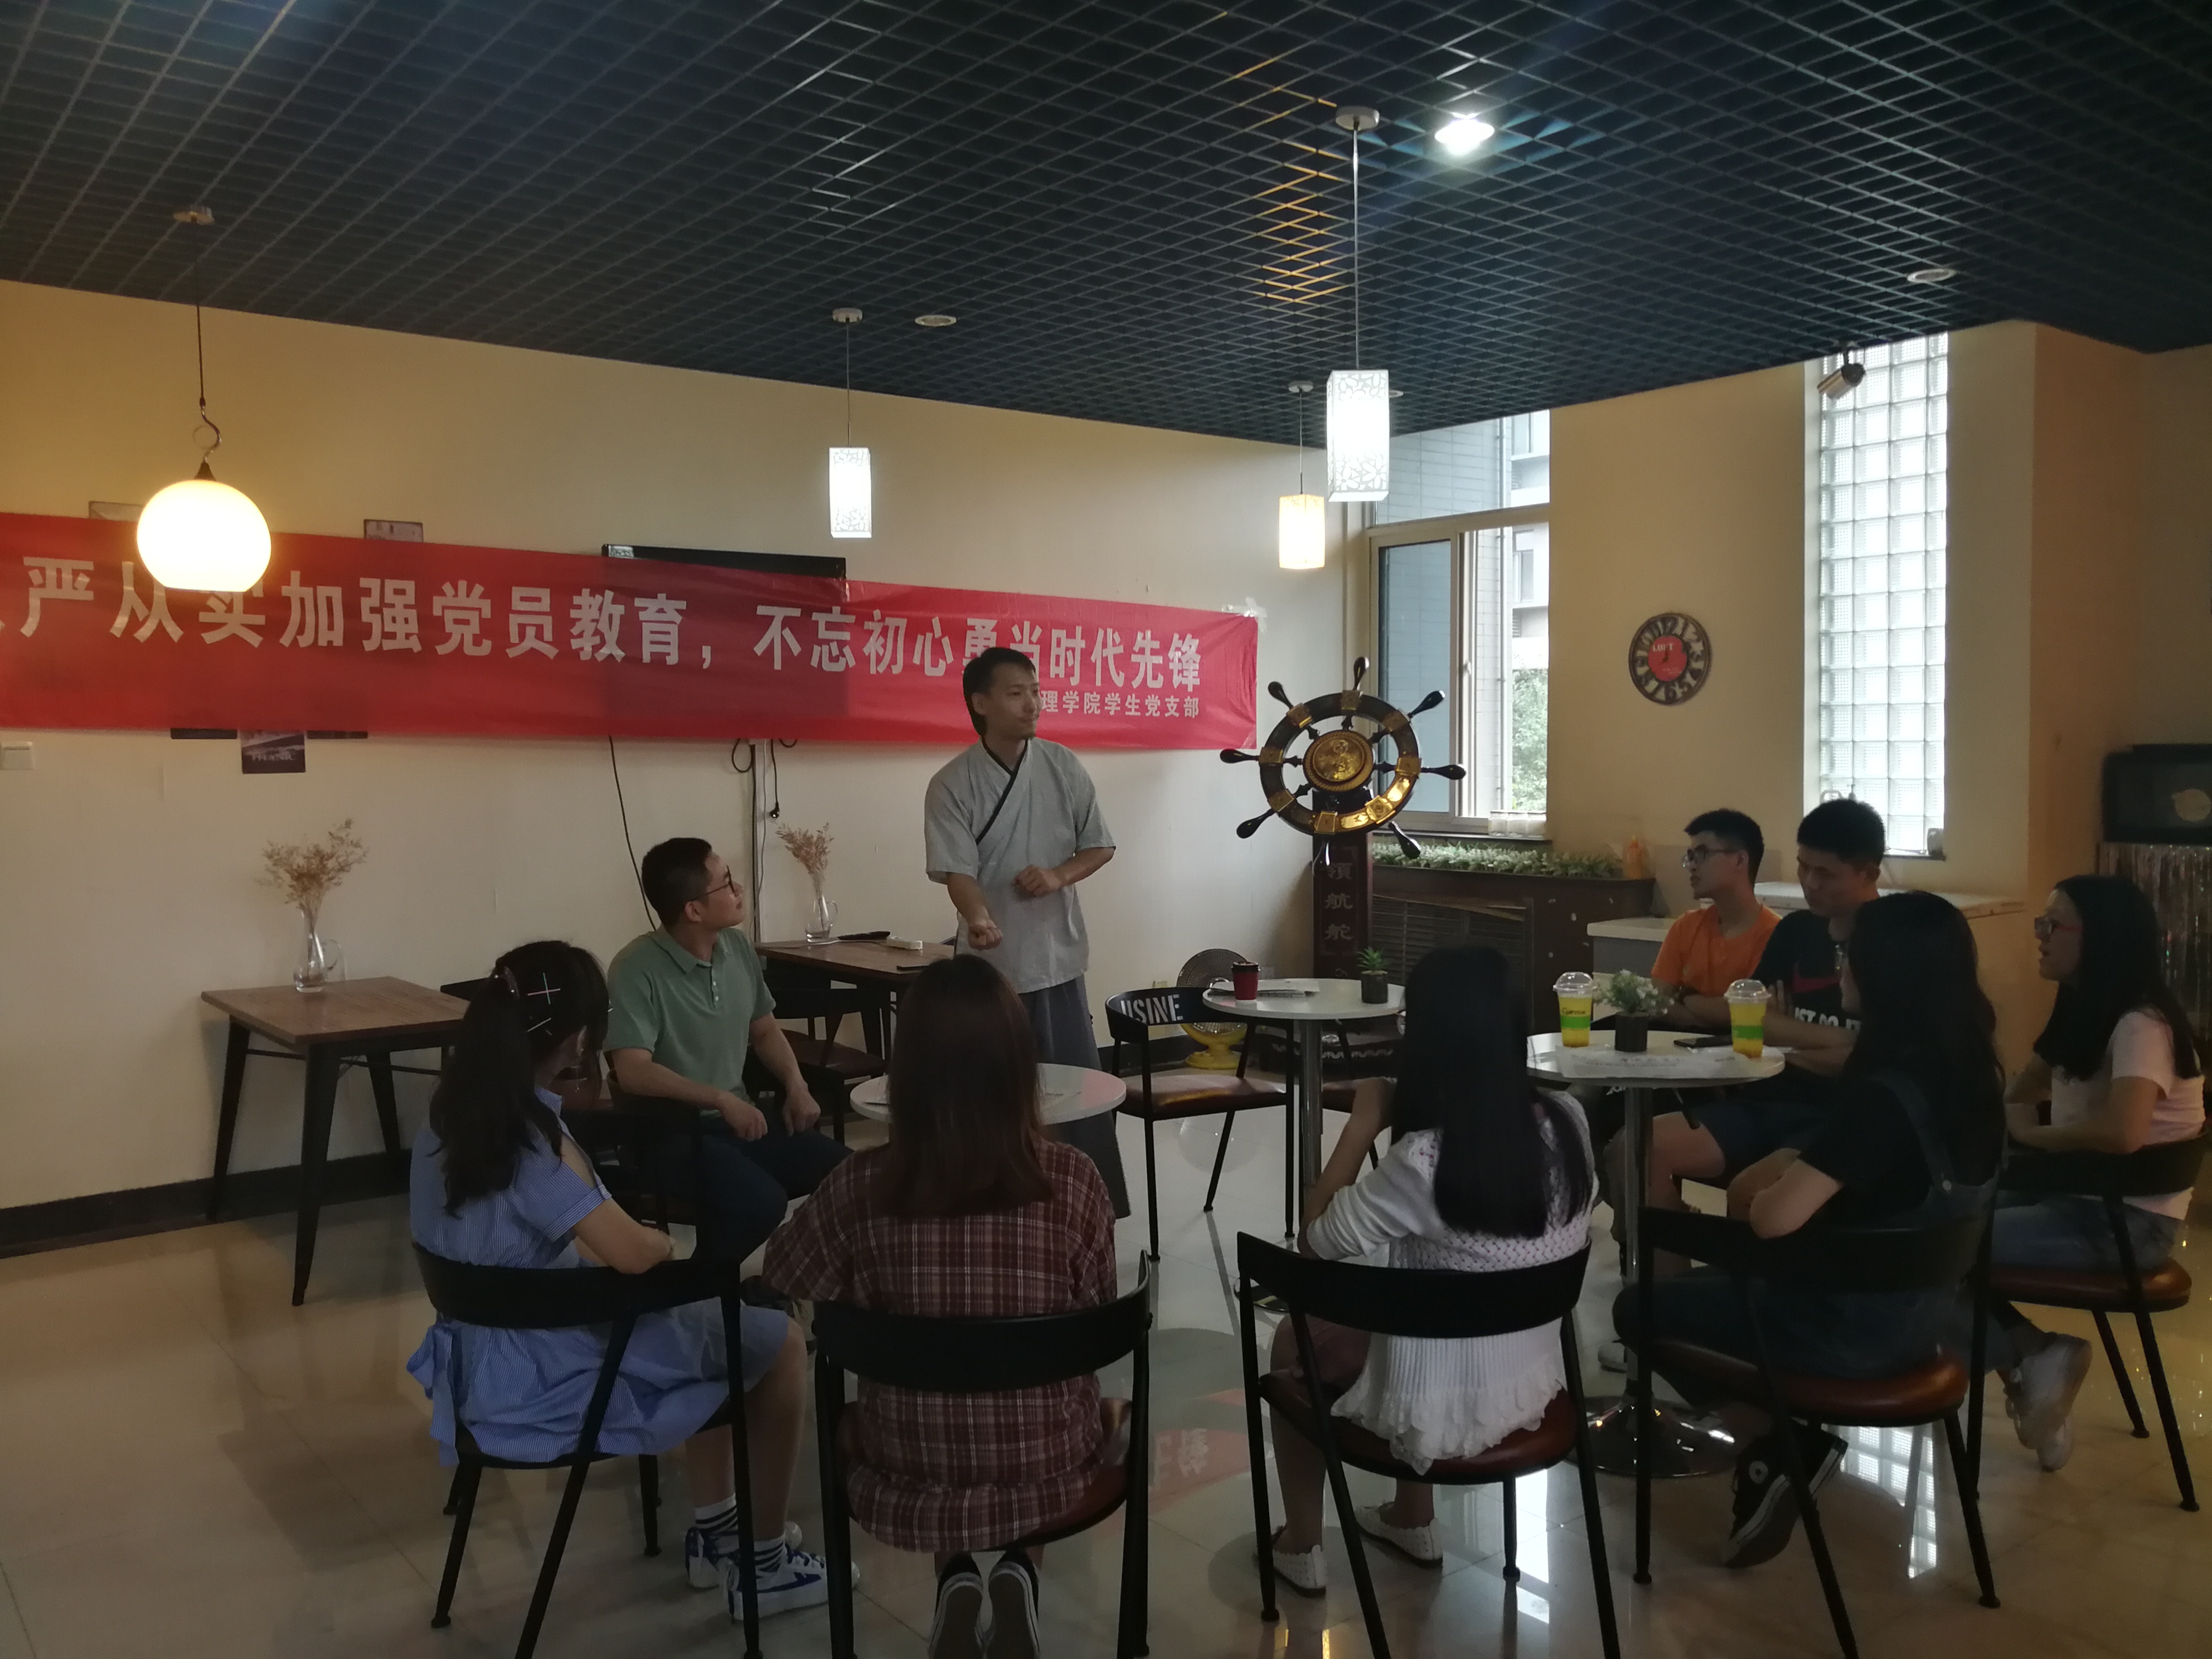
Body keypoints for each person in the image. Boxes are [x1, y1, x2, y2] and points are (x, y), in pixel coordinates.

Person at [406, 940, 831, 1621]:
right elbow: (633, 1254)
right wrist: (663, 1241)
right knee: (775, 1341)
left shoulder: (445, 1113)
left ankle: (719, 1530)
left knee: (712, 1327)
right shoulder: (532, 1140)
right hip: (547, 1379)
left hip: (477, 1363)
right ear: (577, 1040)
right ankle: (764, 1565)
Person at [1614, 892, 2004, 1569]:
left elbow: (1774, 1219)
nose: (1841, 968)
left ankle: (1775, 1442)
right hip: (1925, 1324)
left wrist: (1776, 1180)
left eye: (1852, 957)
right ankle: (1767, 1440)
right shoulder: (1975, 1080)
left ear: (1886, 975)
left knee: (1637, 1308)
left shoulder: (1882, 1096)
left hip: (1842, 1330)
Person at [764, 954, 1120, 1659]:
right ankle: (1019, 1570)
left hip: (906, 1463)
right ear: (1020, 1066)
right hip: (1048, 1463)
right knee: (1042, 1401)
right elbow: (1095, 1311)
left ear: (907, 1072)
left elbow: (783, 1272)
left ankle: (955, 1575)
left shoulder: (857, 1186)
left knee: (927, 1407)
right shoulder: (1075, 1180)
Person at [1264, 947, 1595, 1594]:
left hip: (1432, 1403)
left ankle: (1301, 1545)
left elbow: (1313, 1240)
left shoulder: (1422, 1160)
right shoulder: (1570, 1122)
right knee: (1428, 1305)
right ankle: (1410, 1518)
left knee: (1290, 1338)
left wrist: (1362, 1125)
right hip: (1531, 1387)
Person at [1970, 874, 2205, 1473]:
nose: (2040, 936)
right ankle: (2037, 1366)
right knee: (1937, 1227)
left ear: (2099, 938)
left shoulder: (2141, 1024)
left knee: (1940, 1249)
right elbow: (2022, 1090)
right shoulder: (2083, 1006)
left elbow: (2123, 1133)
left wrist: (2032, 1138)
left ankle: (2034, 1359)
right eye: (2040, 923)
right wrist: (2003, 1115)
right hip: (2084, 1201)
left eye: (2053, 925)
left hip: (2128, 1226)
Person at [924, 644, 1128, 1216]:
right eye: (1016, 694)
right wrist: (978, 917)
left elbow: (1100, 845)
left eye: (1035, 692)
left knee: (1073, 1094)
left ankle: (1084, 1208)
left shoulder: (1062, 765)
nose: (1032, 704)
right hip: (991, 968)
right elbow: (956, 871)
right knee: (993, 1098)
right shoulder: (951, 783)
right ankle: (996, 1210)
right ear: (980, 703)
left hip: (1056, 957)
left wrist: (1059, 875)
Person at [604, 837, 848, 1261]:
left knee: (850, 1174)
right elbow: (632, 1070)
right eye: (727, 883)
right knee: (761, 1202)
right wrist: (718, 1098)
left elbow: (765, 1031)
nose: (739, 891)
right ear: (693, 910)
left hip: (741, 1120)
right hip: (671, 1134)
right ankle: (698, 1287)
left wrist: (797, 1086)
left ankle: (789, 1276)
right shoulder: (635, 967)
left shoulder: (736, 948)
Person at [1643, 798, 1884, 1224]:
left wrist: (1785, 1037)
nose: (1810, 883)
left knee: (1752, 1194)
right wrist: (1844, 1041)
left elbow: (1877, 1058)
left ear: (1868, 873)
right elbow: (1751, 1022)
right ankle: (1666, 1266)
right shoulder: (1796, 932)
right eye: (1803, 867)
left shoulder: (1894, 940)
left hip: (1842, 1114)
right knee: (1639, 1146)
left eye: (1826, 873)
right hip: (1770, 1099)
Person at [1651, 808, 1781, 1027]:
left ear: (1740, 860)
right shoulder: (1686, 926)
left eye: (1702, 854)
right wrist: (1715, 1021)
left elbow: (1751, 1012)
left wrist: (1687, 997)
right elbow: (1656, 1001)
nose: (1692, 865)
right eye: (1690, 857)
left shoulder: (1775, 935)